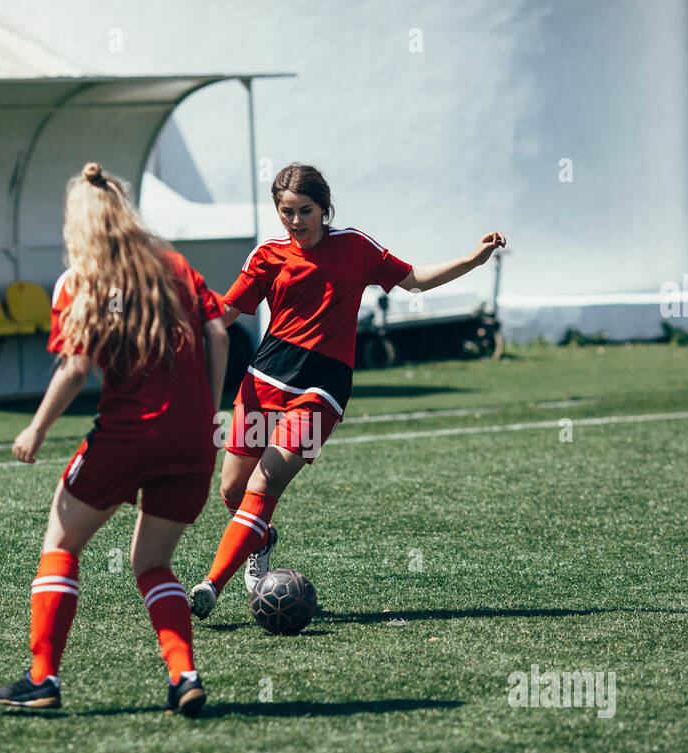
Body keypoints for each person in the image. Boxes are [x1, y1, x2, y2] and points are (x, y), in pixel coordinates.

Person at [189, 162, 505, 618]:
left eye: (305, 210)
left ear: (325, 208)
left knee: (267, 480)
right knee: (233, 492)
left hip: (322, 392)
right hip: (264, 382)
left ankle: (210, 586)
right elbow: (225, 312)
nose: (295, 222)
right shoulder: (267, 256)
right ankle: (263, 537)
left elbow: (412, 278)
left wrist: (472, 261)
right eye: (286, 212)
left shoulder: (356, 248)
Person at [0, 162, 228, 717]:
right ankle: (184, 675)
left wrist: (36, 429)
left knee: (62, 544)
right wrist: (207, 412)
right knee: (152, 562)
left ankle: (43, 678)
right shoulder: (174, 266)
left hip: (127, 435)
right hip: (192, 441)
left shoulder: (83, 280)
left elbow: (75, 370)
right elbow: (217, 332)